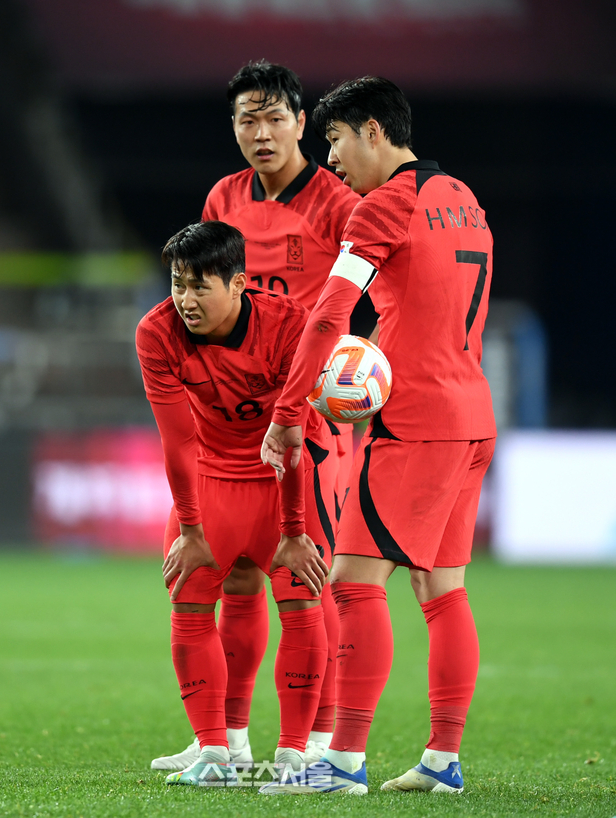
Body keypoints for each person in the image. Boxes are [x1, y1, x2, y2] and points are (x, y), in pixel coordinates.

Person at [259, 76, 496, 796]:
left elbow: (331, 313)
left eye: (333, 139)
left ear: (372, 130)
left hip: (418, 422)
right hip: (472, 414)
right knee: (441, 588)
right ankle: (442, 760)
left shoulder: (385, 204)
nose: (329, 159)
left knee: (354, 582)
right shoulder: (463, 197)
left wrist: (289, 413)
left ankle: (341, 762)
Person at [152, 60, 360, 773]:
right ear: (234, 126)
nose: (262, 133)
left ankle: (319, 743)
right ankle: (228, 740)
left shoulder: (336, 201)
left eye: (275, 119)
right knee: (236, 577)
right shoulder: (224, 195)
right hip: (233, 415)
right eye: (248, 120)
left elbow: (368, 287)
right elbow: (208, 282)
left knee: (309, 576)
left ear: (302, 123)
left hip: (310, 412)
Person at [136, 220, 339, 785]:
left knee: (303, 600)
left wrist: (295, 532)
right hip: (212, 480)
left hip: (286, 480)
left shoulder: (288, 326)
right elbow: (177, 441)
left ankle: (296, 754)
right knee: (189, 599)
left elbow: (292, 439)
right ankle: (216, 751)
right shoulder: (156, 333)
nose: (185, 300)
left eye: (200, 287)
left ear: (238, 284)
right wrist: (191, 530)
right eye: (178, 284)